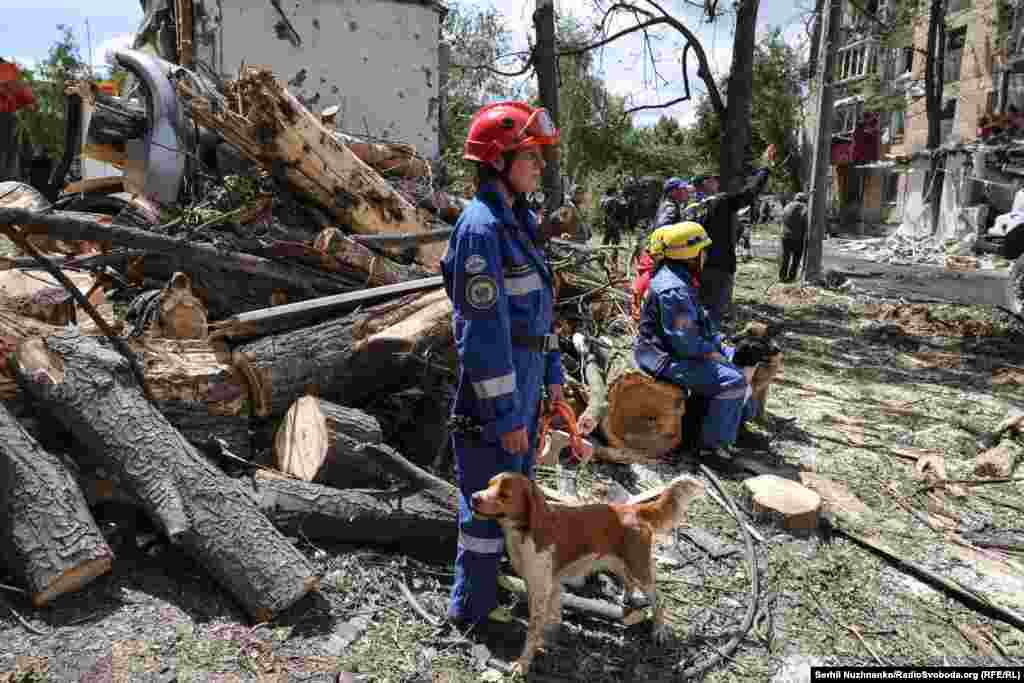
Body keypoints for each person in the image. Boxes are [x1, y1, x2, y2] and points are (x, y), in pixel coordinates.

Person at [440, 100, 563, 630]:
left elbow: (540, 312)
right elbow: (482, 335)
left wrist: (554, 380)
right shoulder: (480, 230)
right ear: (497, 159)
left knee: (517, 501)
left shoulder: (518, 223)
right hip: (493, 400)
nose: (539, 166)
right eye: (530, 155)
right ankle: (470, 614)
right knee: (485, 511)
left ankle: (494, 591)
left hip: (526, 384)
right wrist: (509, 416)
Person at [633, 222, 757, 457]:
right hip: (663, 359)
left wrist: (722, 348)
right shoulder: (674, 289)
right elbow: (686, 342)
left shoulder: (680, 279)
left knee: (745, 359)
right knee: (733, 381)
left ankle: (734, 424)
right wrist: (715, 354)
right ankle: (712, 448)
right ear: (690, 255)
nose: (706, 256)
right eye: (703, 250)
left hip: (677, 351)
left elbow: (700, 326)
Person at [688, 162, 772, 327]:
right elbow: (749, 194)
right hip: (720, 264)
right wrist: (764, 171)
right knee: (716, 310)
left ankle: (698, 341)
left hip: (699, 265)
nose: (717, 182)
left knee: (702, 306)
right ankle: (707, 344)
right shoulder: (721, 201)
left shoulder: (694, 207)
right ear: (705, 183)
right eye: (713, 179)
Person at [0, 58, 36, 182]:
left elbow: (27, 98)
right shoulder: (10, 68)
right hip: (10, 118)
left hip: (7, 119)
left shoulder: (8, 69)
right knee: (10, 166)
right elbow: (29, 100)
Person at [779, 191, 808, 282]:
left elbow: (782, 218)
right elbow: (806, 220)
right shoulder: (804, 207)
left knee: (785, 257)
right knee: (796, 258)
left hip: (785, 236)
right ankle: (792, 277)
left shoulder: (787, 206)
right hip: (797, 237)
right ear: (804, 200)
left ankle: (782, 276)